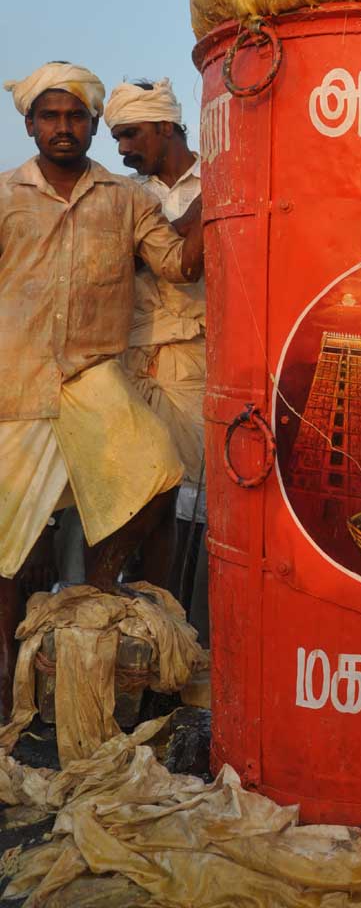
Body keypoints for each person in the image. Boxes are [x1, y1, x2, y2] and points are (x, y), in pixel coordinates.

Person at [0, 61, 204, 717]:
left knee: (159, 476)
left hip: (94, 380)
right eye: (50, 116)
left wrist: (232, 175)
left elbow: (180, 262)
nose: (64, 127)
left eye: (75, 117)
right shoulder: (6, 198)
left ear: (90, 124)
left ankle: (93, 595)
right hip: (16, 388)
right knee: (9, 558)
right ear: (29, 123)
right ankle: (9, 695)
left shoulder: (127, 200)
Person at [105, 78, 208, 642]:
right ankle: (144, 627)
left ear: (165, 127)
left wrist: (186, 226)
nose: (122, 148)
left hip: (195, 358)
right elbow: (147, 256)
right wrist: (192, 223)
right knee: (138, 493)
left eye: (130, 134)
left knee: (189, 500)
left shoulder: (222, 177)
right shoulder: (125, 194)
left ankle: (178, 631)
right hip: (131, 356)